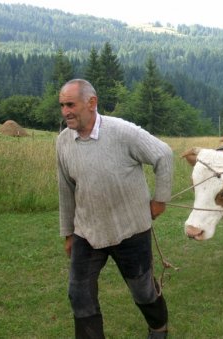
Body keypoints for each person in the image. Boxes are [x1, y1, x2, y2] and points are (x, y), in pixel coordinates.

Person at [56, 79, 173, 338]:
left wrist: (160, 200)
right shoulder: (63, 141)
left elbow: (163, 155)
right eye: (62, 105)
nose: (65, 112)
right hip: (87, 232)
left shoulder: (122, 132)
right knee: (79, 293)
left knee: (142, 290)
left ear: (91, 102)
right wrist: (68, 234)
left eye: (70, 104)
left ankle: (158, 327)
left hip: (130, 230)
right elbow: (65, 189)